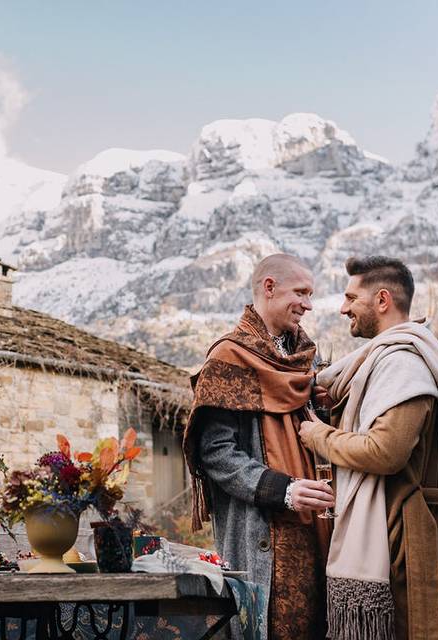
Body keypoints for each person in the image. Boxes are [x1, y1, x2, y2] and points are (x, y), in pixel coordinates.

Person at [299, 256, 438, 640]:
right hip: (390, 524)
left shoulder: (403, 364)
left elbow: (386, 451)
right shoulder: (382, 361)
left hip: (400, 534)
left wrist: (319, 437)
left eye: (351, 297)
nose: (343, 308)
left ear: (382, 300)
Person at [183, 253, 335, 640]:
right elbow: (216, 452)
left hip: (317, 528)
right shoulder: (229, 359)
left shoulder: (305, 360)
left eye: (311, 294)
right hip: (265, 533)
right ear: (269, 287)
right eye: (300, 292)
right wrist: (284, 490)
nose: (308, 304)